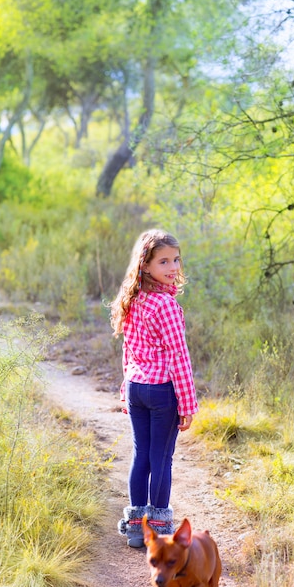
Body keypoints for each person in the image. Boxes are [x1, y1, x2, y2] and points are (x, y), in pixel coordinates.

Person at [110, 229, 199, 548]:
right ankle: (157, 529)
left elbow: (128, 350)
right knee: (161, 458)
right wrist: (187, 405)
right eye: (164, 261)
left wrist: (125, 390)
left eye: (176, 259)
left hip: (137, 388)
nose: (173, 266)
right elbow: (179, 356)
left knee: (142, 456)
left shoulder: (133, 296)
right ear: (145, 265)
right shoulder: (165, 305)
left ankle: (136, 529)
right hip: (161, 392)